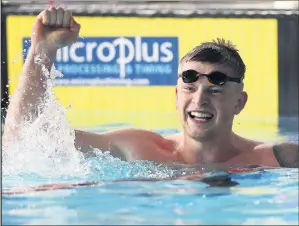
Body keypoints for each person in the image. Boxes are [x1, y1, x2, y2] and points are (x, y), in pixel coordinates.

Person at [2, 7, 298, 169]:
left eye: (216, 85)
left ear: (240, 102)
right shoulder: (139, 149)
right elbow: (21, 143)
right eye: (189, 83)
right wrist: (42, 49)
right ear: (176, 94)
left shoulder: (276, 159)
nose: (200, 98)